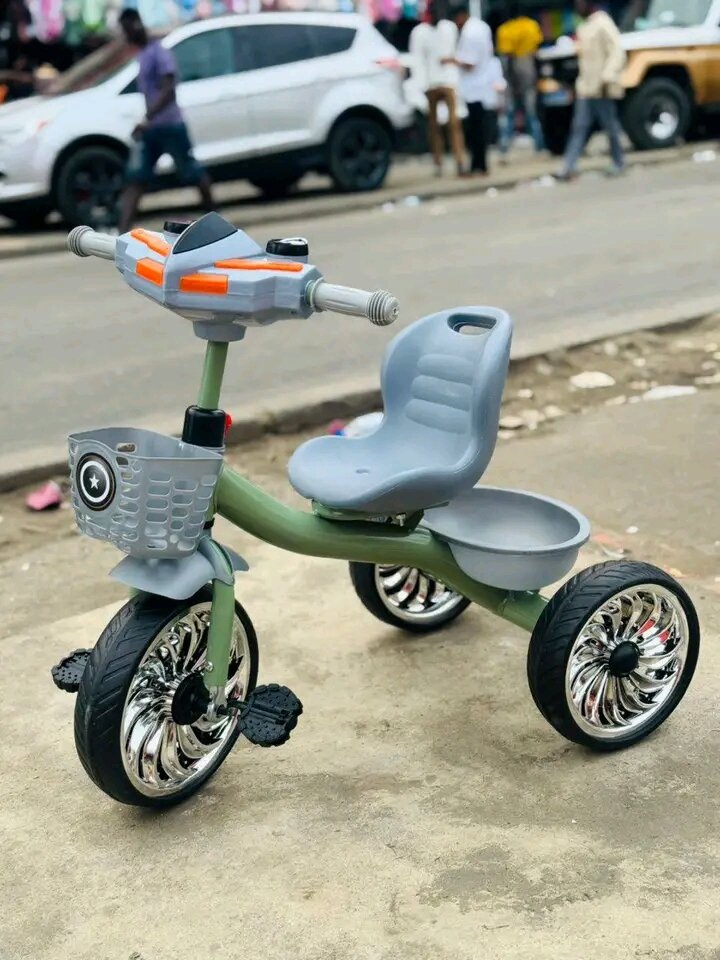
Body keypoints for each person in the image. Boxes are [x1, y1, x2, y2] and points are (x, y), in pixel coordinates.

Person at [117, 8, 214, 234]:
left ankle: (216, 218)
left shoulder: (158, 51)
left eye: (128, 29)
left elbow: (168, 88)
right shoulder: (142, 54)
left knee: (191, 172)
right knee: (136, 178)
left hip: (170, 124)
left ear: (137, 26)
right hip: (152, 129)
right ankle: (122, 232)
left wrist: (148, 117)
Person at [557, 0, 626, 181]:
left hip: (602, 86)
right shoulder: (584, 27)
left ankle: (619, 162)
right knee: (579, 127)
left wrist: (608, 74)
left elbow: (617, 51)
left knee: (610, 126)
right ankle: (568, 166)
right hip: (586, 87)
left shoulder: (603, 23)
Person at [408, 0, 466, 177]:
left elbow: (455, 51)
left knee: (453, 124)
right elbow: (418, 59)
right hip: (431, 83)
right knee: (434, 127)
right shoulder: (420, 32)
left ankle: (459, 160)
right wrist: (420, 85)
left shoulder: (448, 28)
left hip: (448, 81)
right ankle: (439, 161)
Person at [446, 1, 494, 175]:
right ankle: (480, 165)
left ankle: (478, 166)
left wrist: (452, 60)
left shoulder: (470, 32)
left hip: (474, 86)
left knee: (475, 131)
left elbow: (470, 62)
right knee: (479, 129)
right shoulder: (481, 27)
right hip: (481, 85)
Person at [496, 2, 545, 158]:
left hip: (514, 73)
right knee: (532, 111)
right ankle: (539, 146)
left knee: (509, 112)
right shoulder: (532, 25)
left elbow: (508, 57)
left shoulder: (505, 30)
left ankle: (504, 147)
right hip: (529, 70)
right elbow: (537, 51)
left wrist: (511, 82)